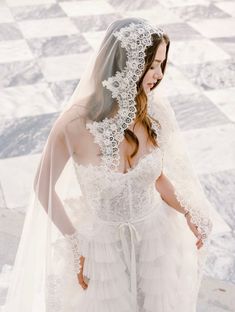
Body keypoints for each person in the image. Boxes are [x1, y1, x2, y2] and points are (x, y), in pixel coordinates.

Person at [3, 17, 214, 312]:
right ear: (125, 63)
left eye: (162, 65)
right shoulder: (74, 123)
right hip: (103, 251)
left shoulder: (153, 111)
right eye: (150, 65)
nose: (158, 75)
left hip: (156, 243)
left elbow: (158, 178)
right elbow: (42, 185)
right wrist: (76, 246)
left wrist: (189, 211)